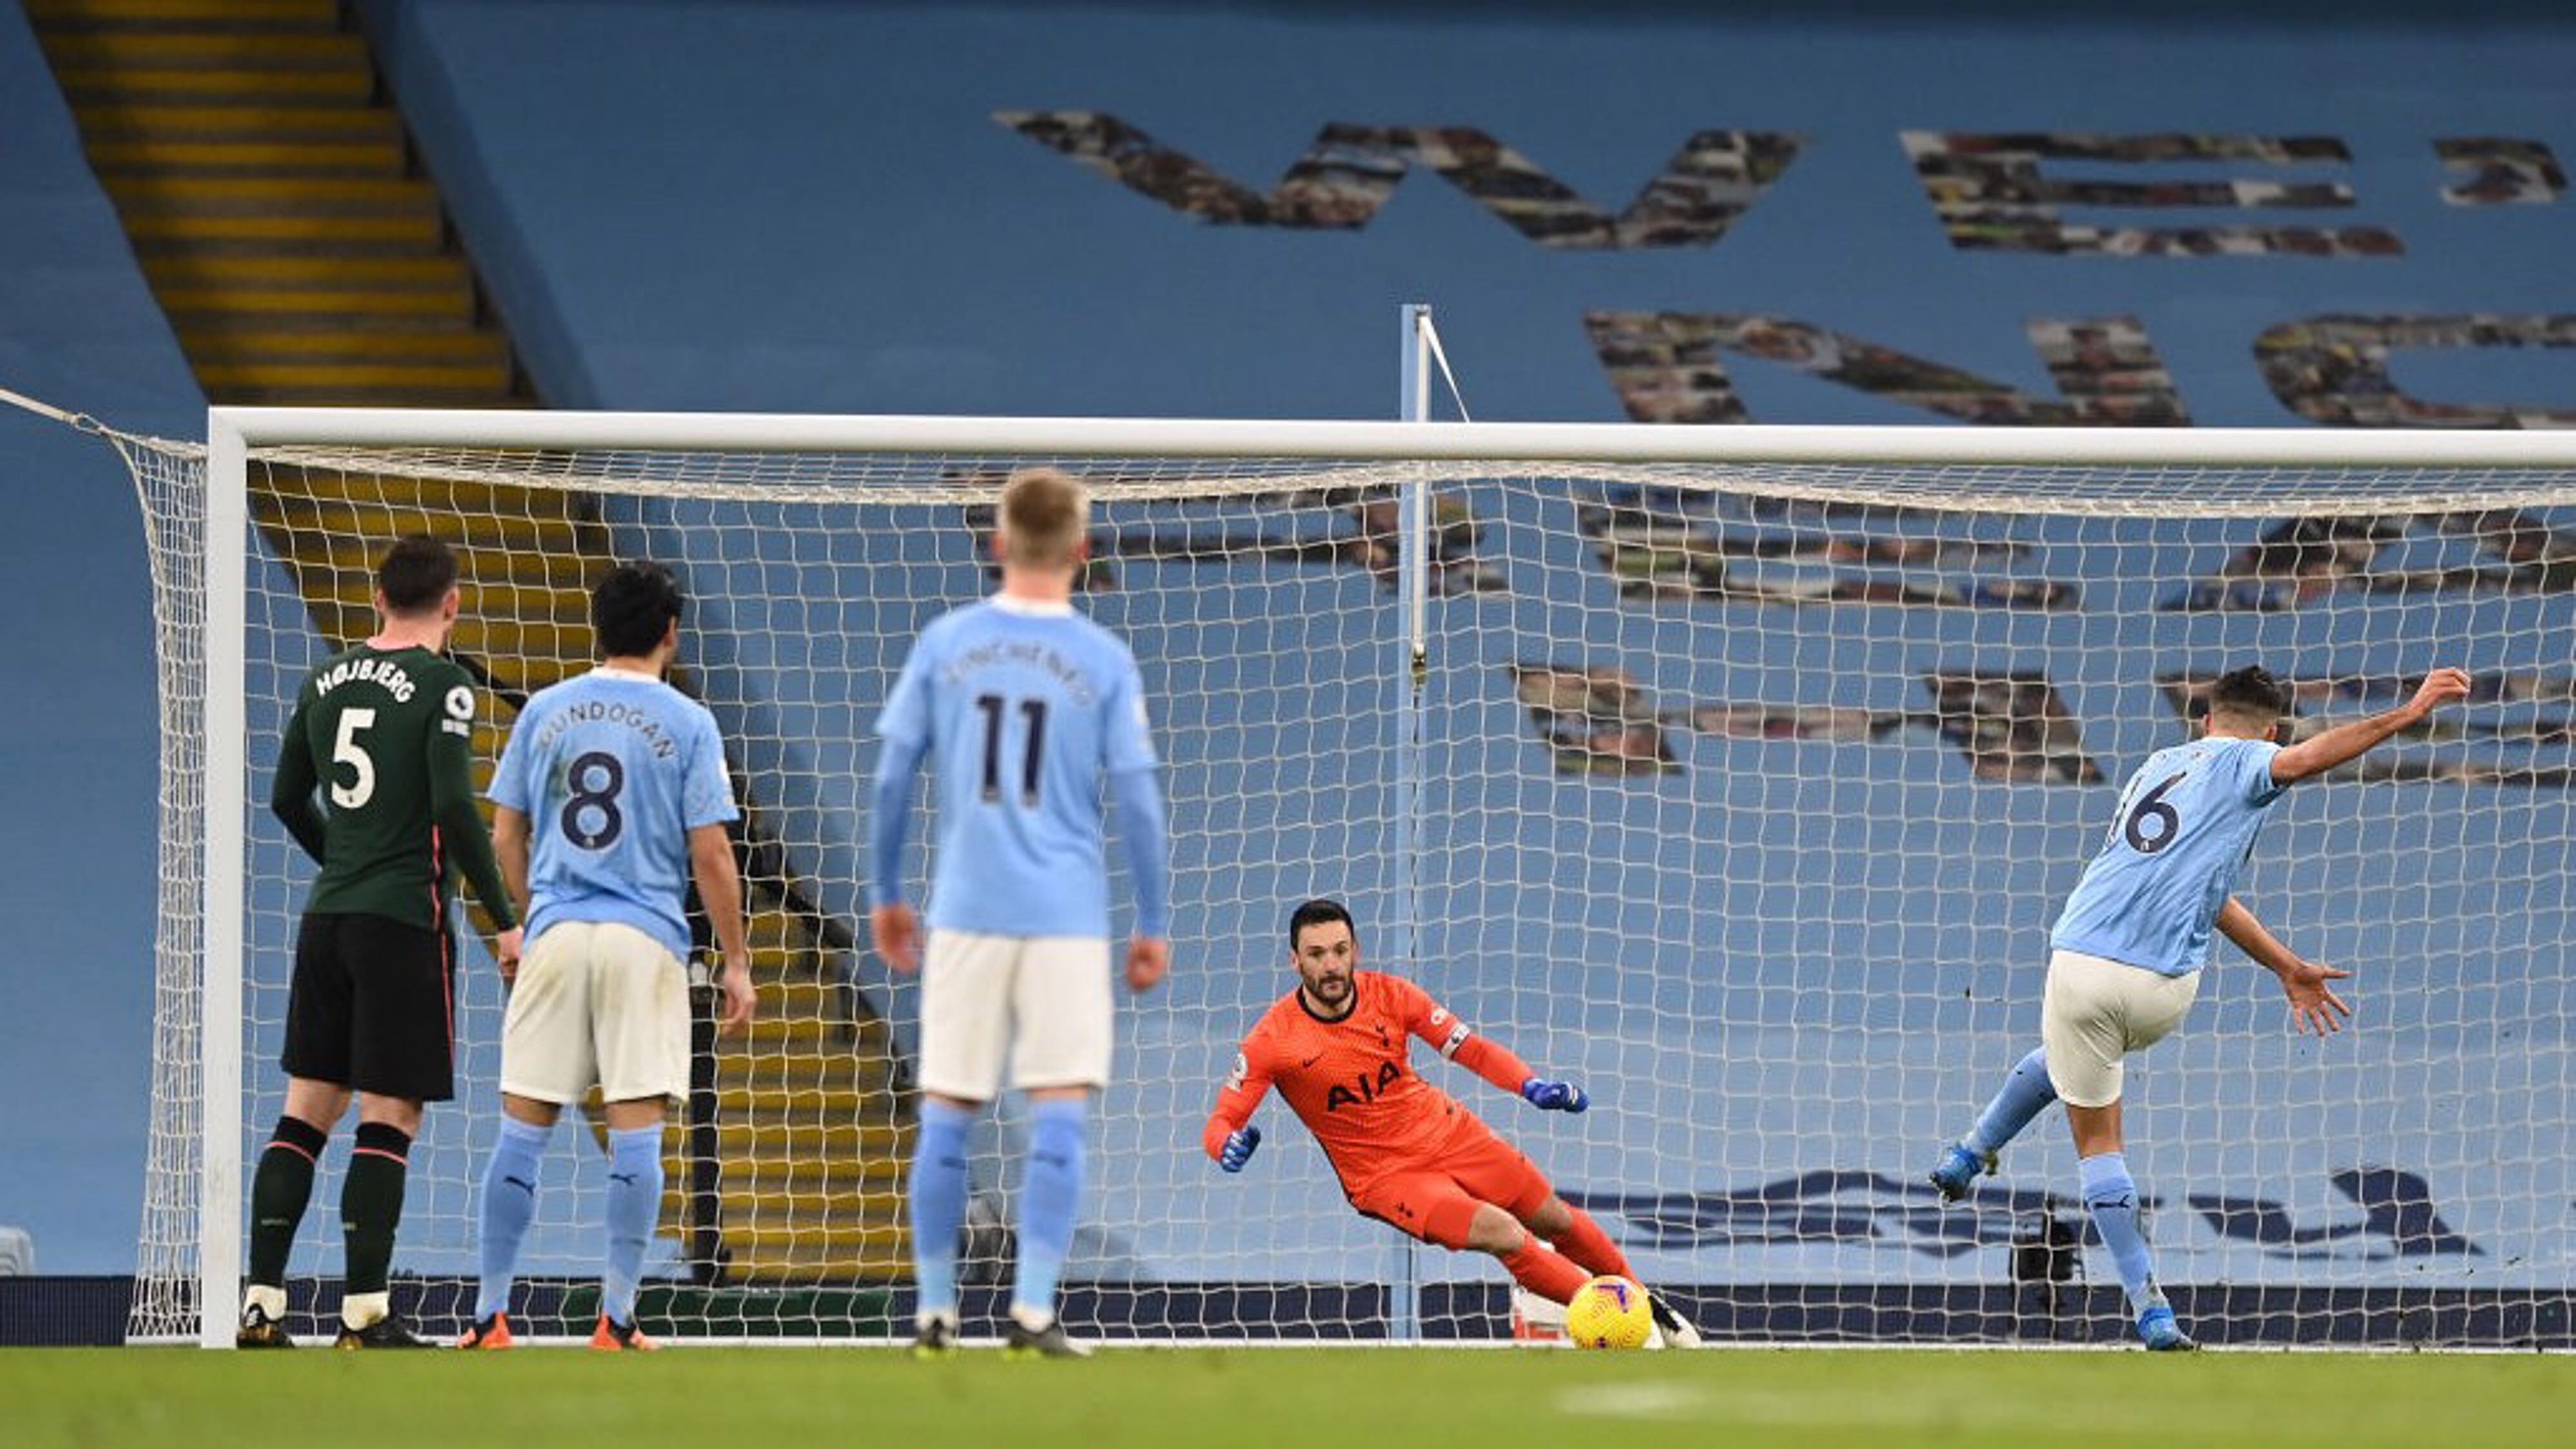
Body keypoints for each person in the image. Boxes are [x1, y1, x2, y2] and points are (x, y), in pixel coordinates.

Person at [1926, 665, 2473, 1350]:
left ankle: (2148, 1307)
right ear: (2268, 728)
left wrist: (2285, 964)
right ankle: (1970, 1153)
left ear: (2206, 721)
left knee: (2095, 1131)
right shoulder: (2252, 762)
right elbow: (2292, 775)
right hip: (2161, 987)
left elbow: (2220, 870)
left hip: (2079, 956)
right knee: (2073, 1060)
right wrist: (2405, 713)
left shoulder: (2158, 767)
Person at [870, 466, 1173, 1359]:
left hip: (965, 910)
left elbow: (893, 777)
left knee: (949, 1113)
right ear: (1083, 549)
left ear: (997, 544)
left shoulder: (945, 641)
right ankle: (1034, 1309)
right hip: (1065, 919)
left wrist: (888, 893)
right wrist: (1152, 919)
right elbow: (1140, 798)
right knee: (1059, 1113)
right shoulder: (1104, 659)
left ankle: (933, 1308)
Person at [460, 560, 757, 1352]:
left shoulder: (547, 710)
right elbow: (712, 854)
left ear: (597, 628)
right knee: (636, 1134)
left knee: (522, 1132)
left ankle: (488, 1316)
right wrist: (735, 960)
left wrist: (526, 921)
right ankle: (617, 1320)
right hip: (644, 939)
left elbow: (502, 834)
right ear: (670, 632)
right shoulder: (690, 723)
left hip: (556, 935)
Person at [242, 534, 524, 1349]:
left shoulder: (323, 679)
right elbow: (452, 807)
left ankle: (262, 1304)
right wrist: (505, 921)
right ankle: (364, 1313)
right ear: (453, 604)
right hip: (401, 923)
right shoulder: (446, 683)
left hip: (328, 918)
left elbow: (286, 797)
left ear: (375, 598)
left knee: (304, 1112)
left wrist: (346, 860)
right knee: (390, 1113)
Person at [1203, 898, 1698, 1347]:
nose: (1331, 965)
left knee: (1554, 1218)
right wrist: (1225, 1144)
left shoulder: (1393, 996)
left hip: (1450, 1133)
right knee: (1503, 1233)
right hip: (1387, 1177)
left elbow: (1472, 1049)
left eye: (1339, 950)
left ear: (1355, 948)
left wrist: (1530, 1085)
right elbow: (1223, 1119)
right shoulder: (1273, 1038)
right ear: (1295, 960)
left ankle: (1647, 1306)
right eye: (1316, 955)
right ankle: (1623, 1321)